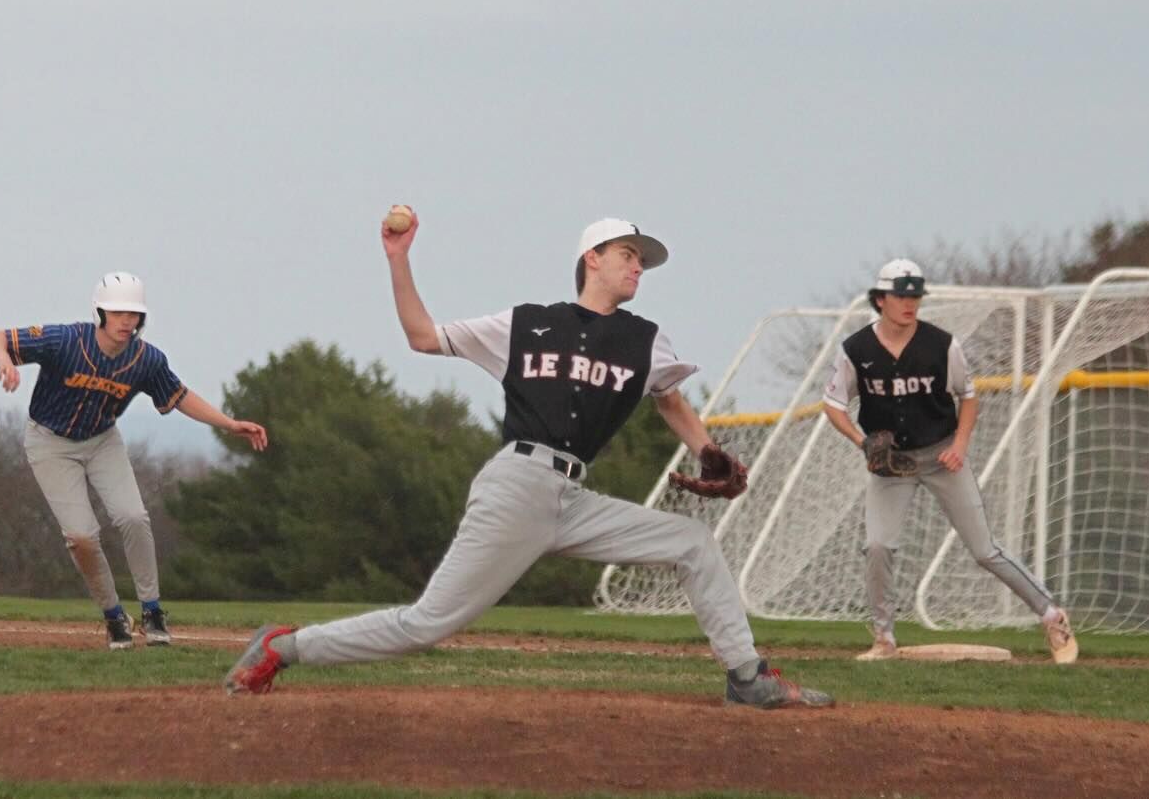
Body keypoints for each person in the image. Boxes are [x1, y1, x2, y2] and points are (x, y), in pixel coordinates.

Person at [223, 212, 835, 708]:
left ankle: (745, 675)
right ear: (591, 258)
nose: (638, 266)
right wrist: (399, 259)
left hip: (573, 498)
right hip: (518, 484)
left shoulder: (644, 338)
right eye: (627, 253)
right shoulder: (526, 325)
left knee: (692, 542)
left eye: (642, 260)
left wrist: (705, 449)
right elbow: (421, 335)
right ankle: (285, 647)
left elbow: (669, 399)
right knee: (427, 624)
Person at [0, 272, 269, 649]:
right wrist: (4, 358)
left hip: (102, 441)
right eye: (117, 312)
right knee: (81, 536)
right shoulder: (67, 340)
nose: (126, 321)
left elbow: (179, 395)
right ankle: (114, 616)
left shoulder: (145, 359)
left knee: (133, 516)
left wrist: (229, 424)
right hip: (50, 442)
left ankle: (152, 610)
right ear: (100, 312)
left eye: (133, 313)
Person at [821, 259, 1079, 664]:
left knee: (984, 550)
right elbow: (833, 404)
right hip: (891, 465)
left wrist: (959, 444)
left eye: (915, 296)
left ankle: (1052, 616)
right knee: (877, 545)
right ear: (880, 299)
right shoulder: (856, 350)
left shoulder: (941, 345)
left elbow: (969, 396)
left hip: (941, 456)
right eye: (902, 295)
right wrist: (861, 442)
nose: (910, 303)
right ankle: (883, 638)